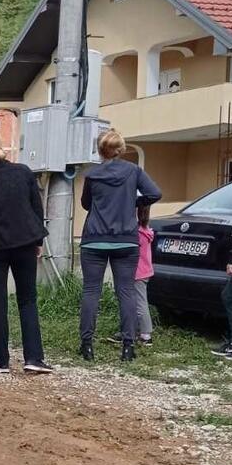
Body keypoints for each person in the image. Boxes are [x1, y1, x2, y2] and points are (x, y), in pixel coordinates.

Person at [0, 131, 52, 375]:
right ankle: (33, 358)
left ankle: (2, 362)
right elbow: (36, 209)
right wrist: (38, 240)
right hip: (25, 242)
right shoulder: (24, 172)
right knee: (27, 300)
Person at [79, 130, 161, 363]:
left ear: (100, 150)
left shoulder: (92, 175)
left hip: (94, 239)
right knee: (126, 292)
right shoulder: (133, 171)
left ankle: (87, 346)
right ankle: (128, 347)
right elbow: (155, 193)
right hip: (126, 239)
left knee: (91, 291)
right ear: (121, 149)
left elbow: (86, 204)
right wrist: (133, 202)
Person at [134, 205, 155, 346]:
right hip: (144, 271)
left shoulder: (138, 234)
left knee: (140, 303)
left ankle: (146, 335)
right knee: (136, 302)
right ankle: (134, 329)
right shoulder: (146, 230)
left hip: (138, 272)